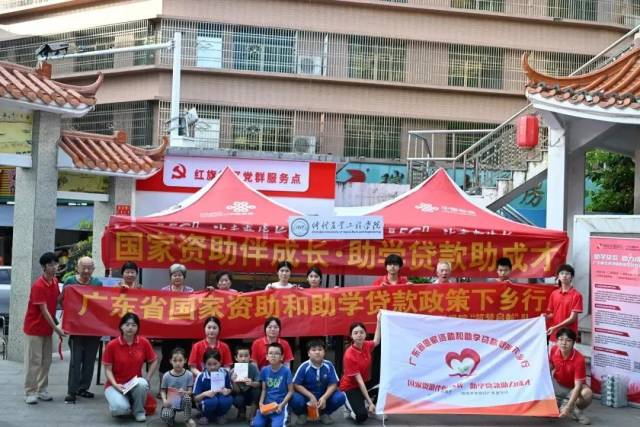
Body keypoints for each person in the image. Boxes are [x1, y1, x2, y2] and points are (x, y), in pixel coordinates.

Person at [23, 252, 66, 404]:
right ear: (44, 267)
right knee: (34, 361)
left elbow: (58, 300)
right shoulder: (38, 285)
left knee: (46, 361)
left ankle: (42, 390)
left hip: (47, 329)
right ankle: (30, 392)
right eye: (50, 265)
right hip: (34, 328)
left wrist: (68, 291)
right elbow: (44, 310)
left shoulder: (54, 281)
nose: (54, 267)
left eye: (56, 264)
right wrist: (57, 328)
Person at [102, 312, 158, 422]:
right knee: (120, 409)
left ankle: (139, 411)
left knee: (142, 383)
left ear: (137, 328)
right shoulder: (112, 345)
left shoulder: (143, 342)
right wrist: (115, 384)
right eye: (127, 324)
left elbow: (154, 360)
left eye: (134, 325)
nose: (130, 328)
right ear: (121, 327)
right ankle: (119, 403)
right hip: (115, 385)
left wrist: (147, 378)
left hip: (134, 383)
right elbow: (108, 369)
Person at [62, 256, 103, 404]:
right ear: (77, 268)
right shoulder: (70, 282)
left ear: (93, 269)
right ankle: (72, 391)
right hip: (76, 329)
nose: (86, 270)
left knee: (89, 360)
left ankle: (83, 388)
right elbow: (62, 301)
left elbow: (103, 305)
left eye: (89, 268)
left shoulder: (98, 283)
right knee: (75, 360)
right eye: (83, 267)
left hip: (93, 329)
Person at [291, 339, 346, 425]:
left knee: (340, 397)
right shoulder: (304, 366)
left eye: (320, 349)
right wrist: (311, 396)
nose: (317, 352)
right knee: (293, 397)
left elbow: (333, 384)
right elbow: (296, 384)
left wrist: (324, 397)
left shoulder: (329, 365)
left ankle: (324, 414)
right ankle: (302, 414)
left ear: (324, 352)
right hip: (307, 397)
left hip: (323, 395)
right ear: (308, 353)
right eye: (313, 350)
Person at [339, 313, 381, 424]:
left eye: (361, 332)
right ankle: (349, 408)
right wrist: (370, 402)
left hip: (364, 383)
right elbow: (359, 382)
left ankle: (369, 408)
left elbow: (376, 341)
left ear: (365, 334)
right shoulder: (349, 355)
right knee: (362, 417)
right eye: (355, 333)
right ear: (351, 336)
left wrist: (379, 321)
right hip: (350, 387)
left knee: (383, 386)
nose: (359, 335)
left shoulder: (366, 345)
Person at [159, 263, 195, 394]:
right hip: (168, 331)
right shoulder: (163, 291)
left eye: (180, 275)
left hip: (185, 331)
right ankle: (163, 389)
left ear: (184, 277)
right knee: (166, 359)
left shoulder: (190, 291)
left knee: (184, 358)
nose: (177, 277)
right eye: (174, 275)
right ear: (170, 277)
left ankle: (184, 388)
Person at [549, 328, 592, 425]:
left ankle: (569, 407)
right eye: (560, 339)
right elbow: (550, 366)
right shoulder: (554, 349)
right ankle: (571, 409)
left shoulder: (579, 359)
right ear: (557, 341)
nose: (563, 343)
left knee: (587, 393)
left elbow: (578, 386)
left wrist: (568, 406)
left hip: (573, 388)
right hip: (557, 385)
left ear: (573, 343)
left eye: (568, 340)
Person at [252, 342, 294, 427]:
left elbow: (290, 391)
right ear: (267, 356)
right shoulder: (264, 370)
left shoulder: (286, 371)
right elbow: (264, 390)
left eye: (277, 353)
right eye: (270, 353)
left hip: (279, 406)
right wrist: (261, 403)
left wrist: (282, 405)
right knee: (256, 425)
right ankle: (267, 420)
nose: (273, 356)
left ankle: (284, 418)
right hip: (267, 405)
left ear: (282, 357)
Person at [193, 349, 234, 425]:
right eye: (209, 364)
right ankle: (205, 415)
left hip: (220, 397)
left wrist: (228, 391)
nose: (212, 367)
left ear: (220, 363)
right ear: (204, 364)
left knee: (228, 399)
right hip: (207, 400)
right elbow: (195, 398)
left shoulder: (225, 373)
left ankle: (219, 415)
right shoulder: (201, 376)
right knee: (212, 401)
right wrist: (204, 394)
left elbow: (230, 388)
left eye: (215, 364)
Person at [546, 264, 583, 342]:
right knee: (553, 350)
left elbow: (572, 318)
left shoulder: (577, 295)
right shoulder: (554, 294)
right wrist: (546, 317)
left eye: (567, 274)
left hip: (568, 335)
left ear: (572, 277)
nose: (564, 276)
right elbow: (553, 314)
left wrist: (555, 327)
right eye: (562, 273)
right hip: (554, 334)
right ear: (558, 277)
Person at [160, 347, 195, 427]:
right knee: (166, 416)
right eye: (175, 361)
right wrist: (164, 400)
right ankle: (170, 418)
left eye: (180, 360)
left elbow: (190, 391)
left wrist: (184, 392)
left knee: (187, 398)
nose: (178, 363)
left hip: (183, 400)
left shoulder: (189, 374)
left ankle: (187, 419)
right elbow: (162, 391)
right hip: (171, 402)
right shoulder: (166, 375)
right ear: (170, 361)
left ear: (185, 361)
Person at [231, 345, 261, 422]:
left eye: (246, 356)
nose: (243, 359)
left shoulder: (253, 368)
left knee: (257, 391)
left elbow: (259, 383)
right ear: (236, 358)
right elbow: (235, 391)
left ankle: (252, 414)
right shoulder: (232, 371)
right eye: (240, 356)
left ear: (250, 357)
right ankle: (242, 411)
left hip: (250, 392)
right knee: (237, 399)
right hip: (240, 393)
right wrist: (234, 381)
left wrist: (251, 383)